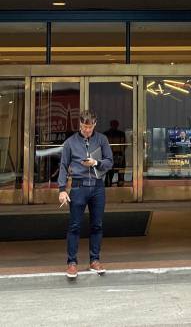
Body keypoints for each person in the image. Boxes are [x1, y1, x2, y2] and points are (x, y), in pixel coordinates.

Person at [58, 109, 114, 279]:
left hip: (97, 187)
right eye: (84, 127)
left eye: (89, 128)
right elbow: (63, 166)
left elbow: (110, 162)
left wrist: (96, 162)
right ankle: (72, 263)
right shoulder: (70, 143)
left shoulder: (102, 139)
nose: (87, 131)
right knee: (74, 226)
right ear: (80, 125)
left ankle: (95, 260)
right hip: (78, 187)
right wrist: (62, 189)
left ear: (95, 125)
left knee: (97, 225)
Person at [103, 120, 126, 187]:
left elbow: (123, 145)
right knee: (115, 172)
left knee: (110, 173)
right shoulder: (120, 133)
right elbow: (123, 146)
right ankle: (118, 185)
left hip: (115, 155)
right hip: (117, 155)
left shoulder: (106, 134)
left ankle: (109, 185)